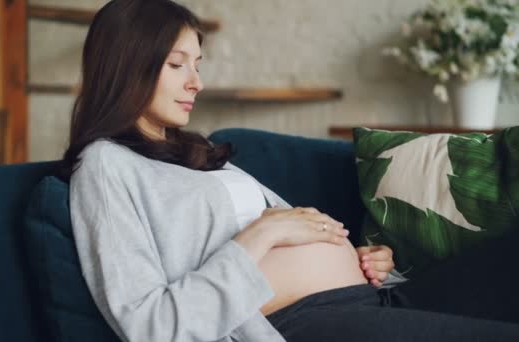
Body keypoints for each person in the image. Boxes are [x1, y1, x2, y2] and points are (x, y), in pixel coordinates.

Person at [61, 0, 519, 341]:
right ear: (128, 66)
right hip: (304, 323)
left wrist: (368, 263)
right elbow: (151, 327)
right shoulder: (106, 166)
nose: (196, 83)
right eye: (177, 65)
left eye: (197, 65)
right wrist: (260, 235)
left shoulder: (191, 152)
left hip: (374, 297)